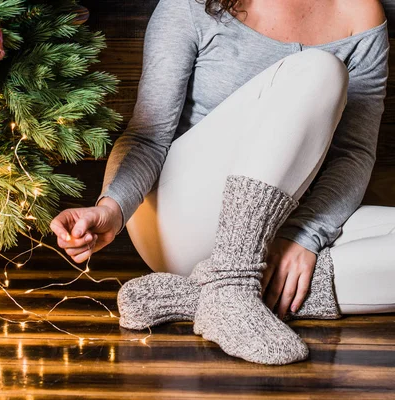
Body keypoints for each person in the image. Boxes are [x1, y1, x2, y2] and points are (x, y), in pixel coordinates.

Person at [49, 0, 393, 365]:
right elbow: (148, 138)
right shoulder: (191, 5)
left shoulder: (360, 13)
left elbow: (353, 154)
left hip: (278, 224)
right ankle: (229, 283)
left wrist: (302, 237)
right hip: (181, 220)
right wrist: (111, 208)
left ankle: (203, 296)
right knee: (319, 70)